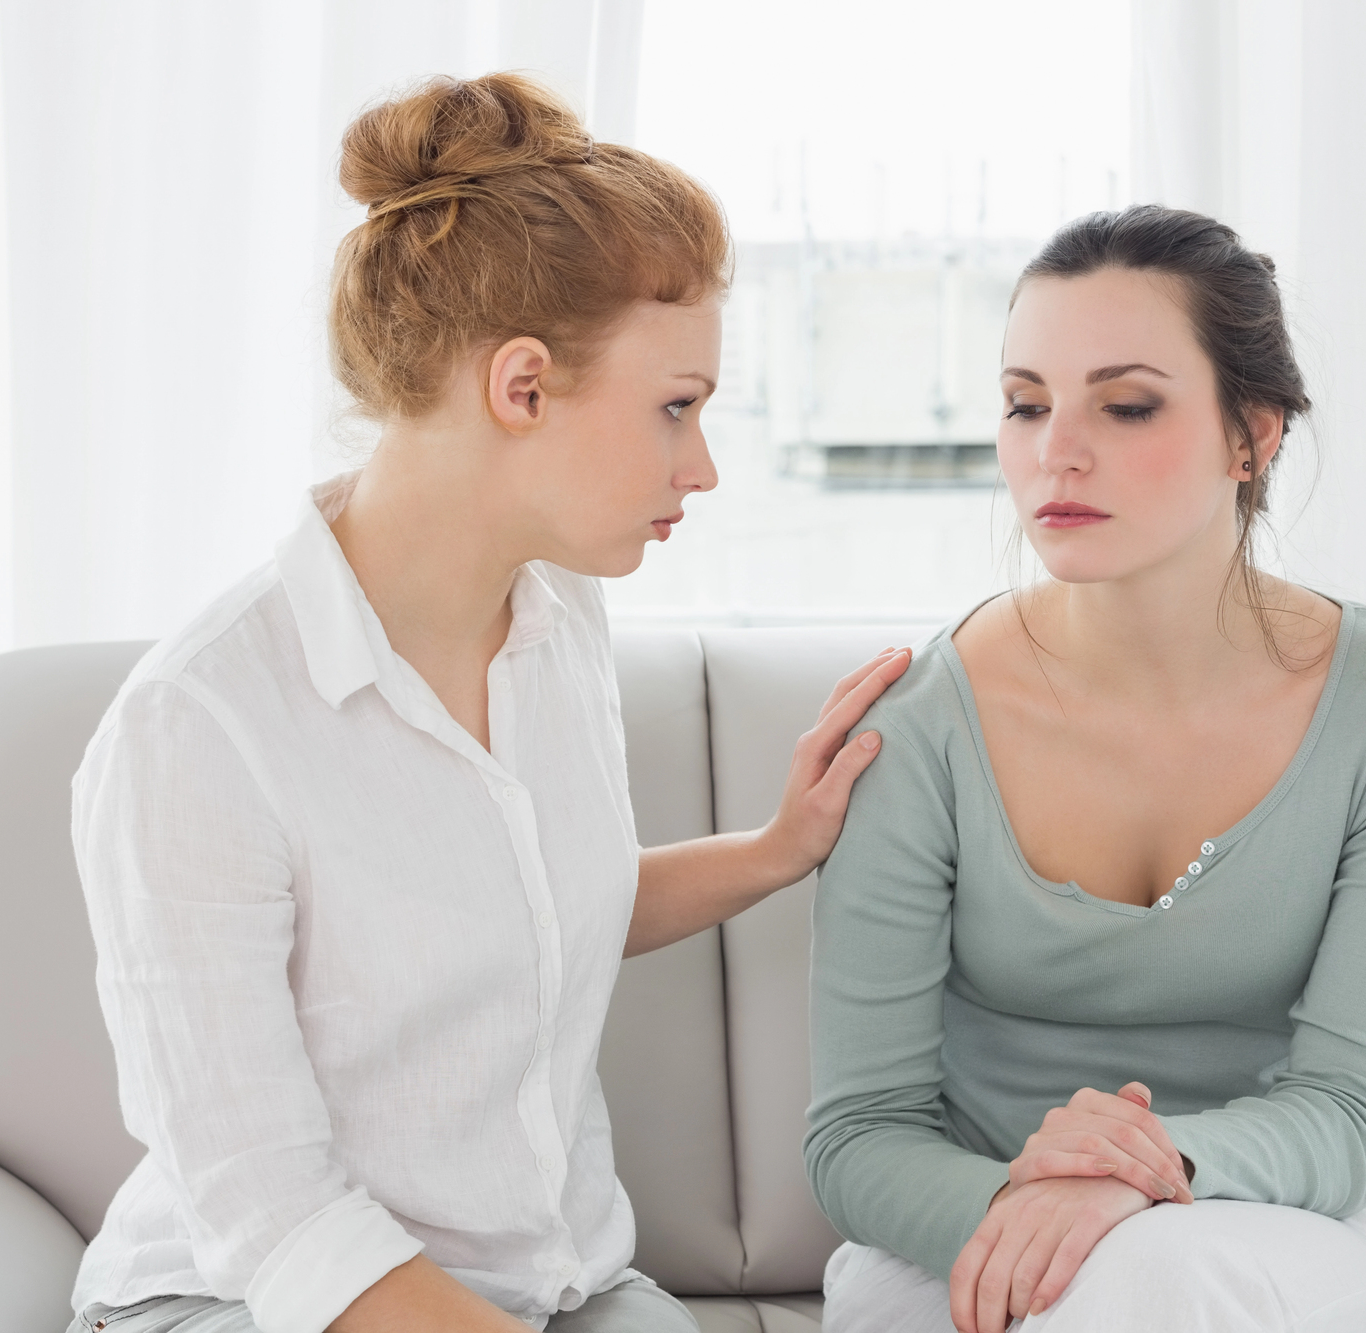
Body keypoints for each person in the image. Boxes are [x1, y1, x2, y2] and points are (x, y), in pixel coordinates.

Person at [67, 73, 909, 1333]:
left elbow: (536, 905)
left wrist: (773, 851)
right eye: (675, 407)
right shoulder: (198, 727)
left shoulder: (559, 622)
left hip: (558, 1288)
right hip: (251, 1300)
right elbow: (273, 1213)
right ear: (520, 386)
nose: (704, 464)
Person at [805, 205, 1366, 1333]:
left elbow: (1346, 1113)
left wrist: (1141, 1166)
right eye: (1025, 403)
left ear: (1252, 435)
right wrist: (1037, 1203)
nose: (1053, 450)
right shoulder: (919, 720)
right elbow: (858, 1133)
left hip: (1275, 1226)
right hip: (964, 1231)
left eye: (1124, 406)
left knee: (1160, 1280)